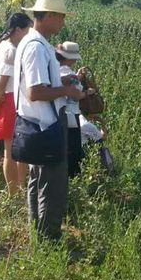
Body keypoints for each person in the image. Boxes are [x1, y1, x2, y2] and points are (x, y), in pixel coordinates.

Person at [16, 0, 83, 241]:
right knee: (52, 186)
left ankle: (38, 234)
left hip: (36, 124)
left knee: (38, 180)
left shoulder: (32, 41)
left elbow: (39, 83)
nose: (63, 23)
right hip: (46, 125)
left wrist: (60, 80)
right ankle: (49, 240)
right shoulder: (37, 47)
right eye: (61, 17)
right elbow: (35, 92)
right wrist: (67, 91)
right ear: (50, 16)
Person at [0, 13, 32, 195]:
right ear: (18, 30)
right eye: (28, 29)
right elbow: (1, 86)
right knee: (12, 151)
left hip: (9, 100)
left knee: (16, 150)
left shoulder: (4, 44)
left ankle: (19, 189)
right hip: (9, 101)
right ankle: (14, 191)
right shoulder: (11, 50)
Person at [55, 41, 86, 179]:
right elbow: (76, 94)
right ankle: (72, 177)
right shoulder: (68, 73)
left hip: (59, 112)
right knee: (73, 149)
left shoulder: (56, 69)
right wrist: (87, 93)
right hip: (71, 114)